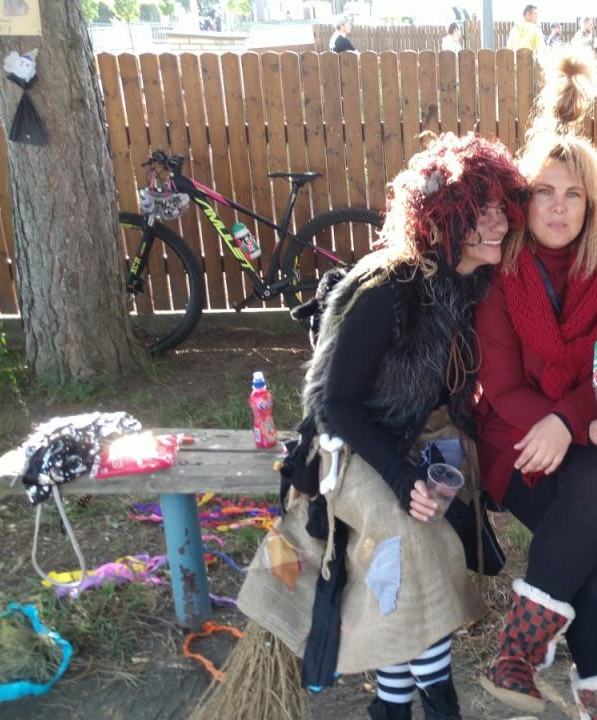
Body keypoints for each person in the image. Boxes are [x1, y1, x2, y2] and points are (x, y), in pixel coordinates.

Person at [226, 134, 530, 720]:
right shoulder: (389, 289)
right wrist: (399, 475)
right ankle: (440, 705)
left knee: (410, 556)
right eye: (479, 211)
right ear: (442, 217)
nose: (497, 223)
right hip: (350, 447)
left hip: (420, 440)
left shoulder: (472, 283)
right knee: (411, 541)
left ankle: (390, 708)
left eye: (501, 209)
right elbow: (335, 404)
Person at [475, 48, 597, 720]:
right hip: (514, 437)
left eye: (573, 194)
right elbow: (500, 384)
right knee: (587, 538)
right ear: (526, 199)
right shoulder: (503, 272)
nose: (559, 206)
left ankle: (518, 650)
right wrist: (549, 425)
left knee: (592, 488)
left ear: (590, 203)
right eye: (544, 191)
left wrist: (568, 422)